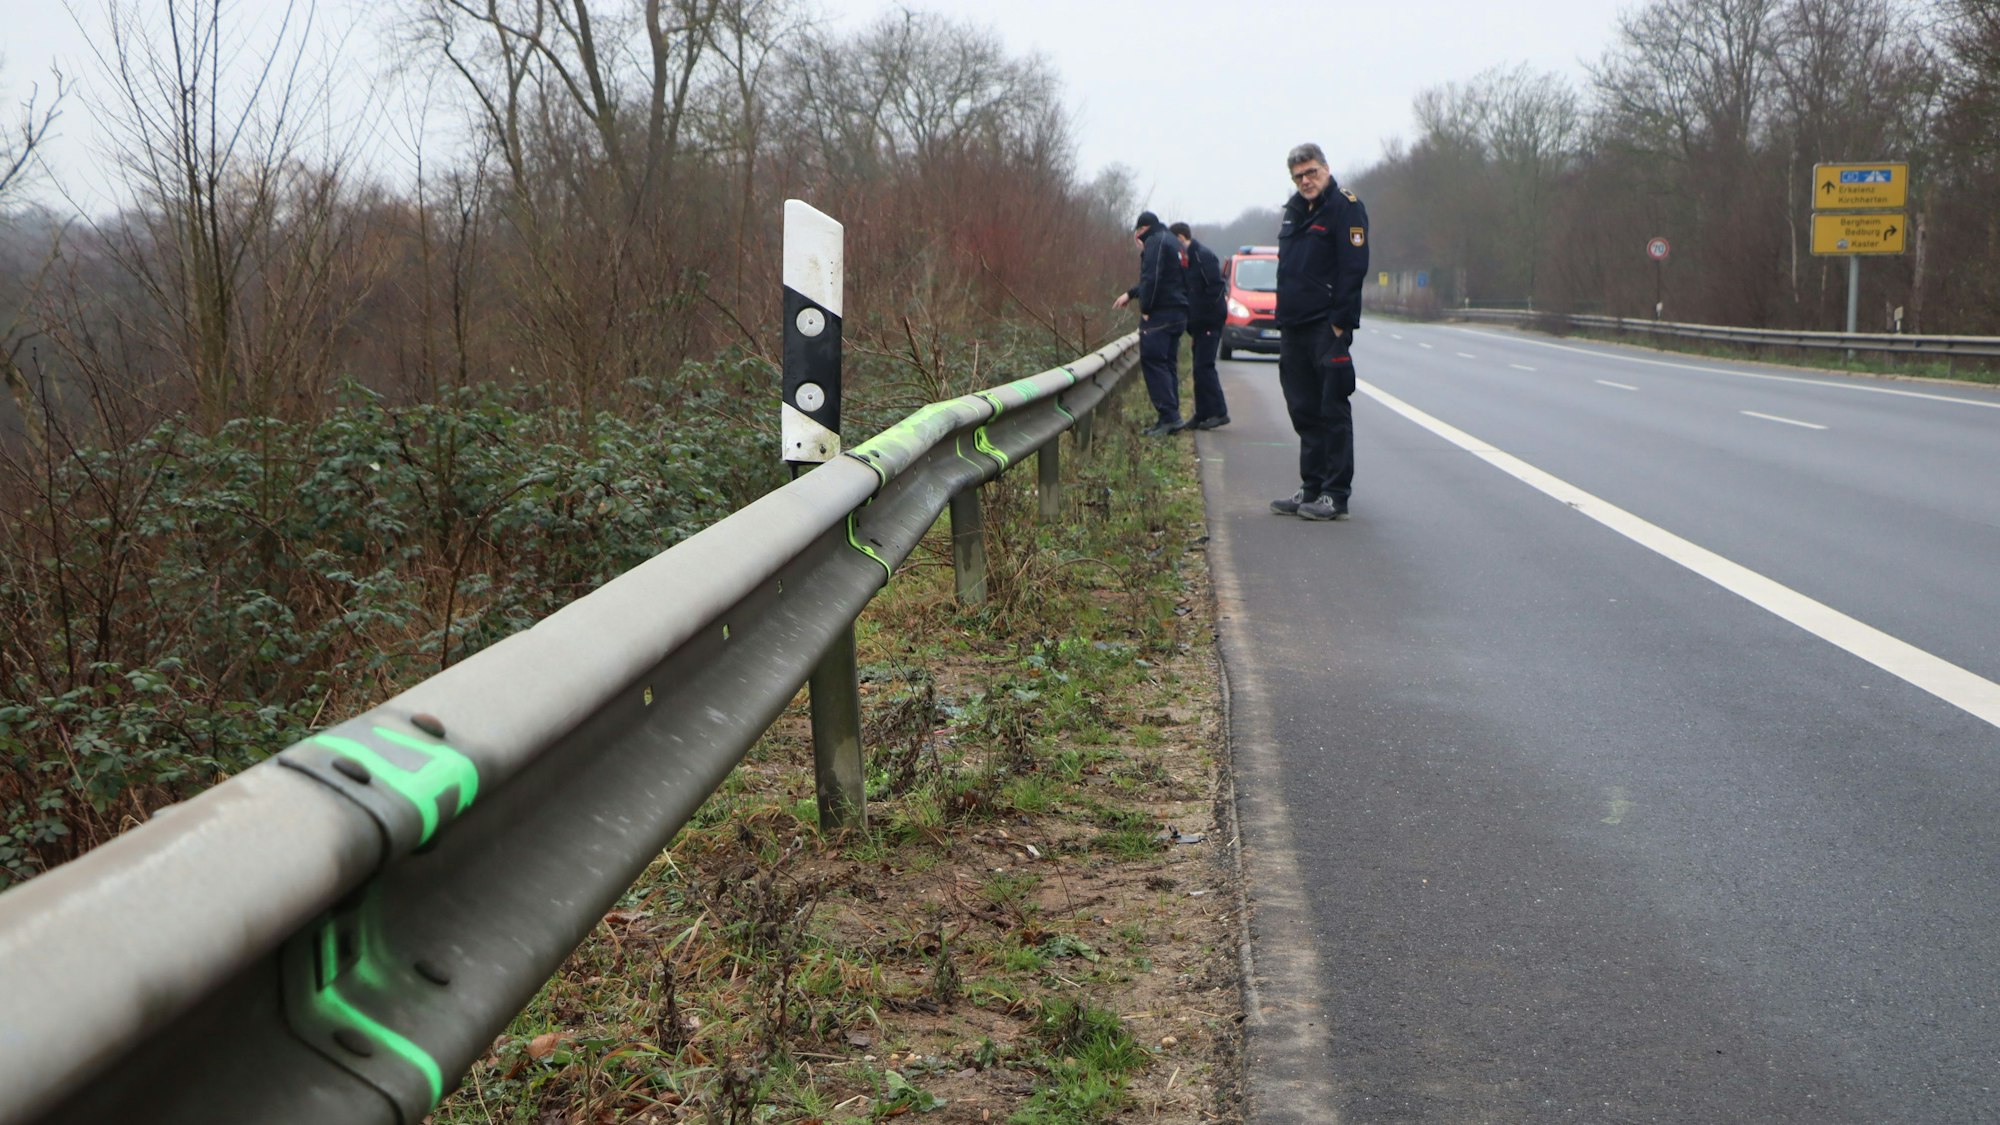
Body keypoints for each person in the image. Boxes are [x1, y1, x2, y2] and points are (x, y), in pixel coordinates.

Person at [1269, 143, 1368, 521]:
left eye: (1311, 172)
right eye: (1298, 176)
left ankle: (1335, 493)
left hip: (1327, 327)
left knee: (1332, 407)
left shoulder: (1346, 206)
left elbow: (1353, 266)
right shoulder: (1294, 212)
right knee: (1303, 409)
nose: (1306, 181)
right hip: (1293, 327)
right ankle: (1311, 487)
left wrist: (1340, 323)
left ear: (1325, 168)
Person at [1112, 210, 1189, 436]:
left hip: (1161, 314)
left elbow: (1152, 278)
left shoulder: (1154, 242)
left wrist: (1146, 309)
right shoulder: (1174, 242)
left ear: (1142, 230)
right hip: (1178, 312)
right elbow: (1169, 278)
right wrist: (1131, 293)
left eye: (1137, 234)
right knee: (1167, 363)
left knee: (1154, 361)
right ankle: (1171, 416)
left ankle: (1169, 417)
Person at [1170, 222, 1230, 430]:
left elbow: (1214, 289)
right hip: (1197, 323)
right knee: (1198, 368)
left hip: (1209, 320)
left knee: (1205, 366)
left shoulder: (1202, 256)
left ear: (1180, 238)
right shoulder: (1186, 260)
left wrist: (1203, 317)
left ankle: (1220, 411)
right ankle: (1202, 413)